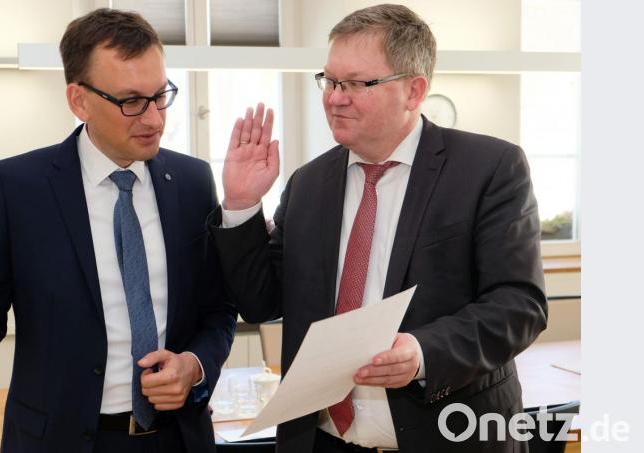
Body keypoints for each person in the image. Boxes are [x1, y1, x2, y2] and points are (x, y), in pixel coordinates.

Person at [209, 4, 547, 452]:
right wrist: (241, 204)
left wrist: (424, 352)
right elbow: (261, 301)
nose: (334, 97)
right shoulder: (308, 183)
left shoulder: (489, 168)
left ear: (413, 90)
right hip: (322, 440)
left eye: (357, 83)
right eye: (329, 80)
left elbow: (519, 304)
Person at [0, 9, 236, 453]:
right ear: (79, 101)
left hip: (177, 440)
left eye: (160, 95)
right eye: (131, 101)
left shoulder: (192, 181)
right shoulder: (17, 188)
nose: (154, 120)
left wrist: (195, 365)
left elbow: (218, 310)